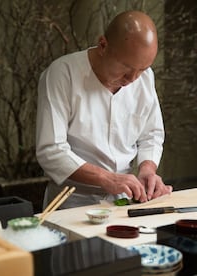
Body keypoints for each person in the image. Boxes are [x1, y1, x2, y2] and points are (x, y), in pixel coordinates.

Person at [36, 10, 172, 208]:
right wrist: (106, 178)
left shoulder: (145, 77)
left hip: (124, 199)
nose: (133, 78)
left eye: (141, 69)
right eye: (126, 67)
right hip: (71, 199)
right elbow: (51, 150)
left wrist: (147, 170)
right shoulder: (62, 74)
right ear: (103, 45)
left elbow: (151, 134)